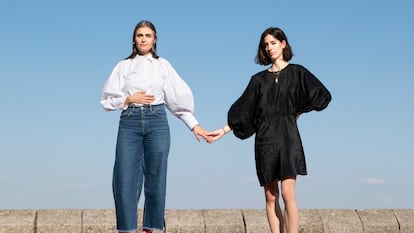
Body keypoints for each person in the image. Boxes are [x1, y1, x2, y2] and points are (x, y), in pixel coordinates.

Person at [207, 27, 331, 233]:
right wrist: (223, 130)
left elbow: (322, 95)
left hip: (288, 137)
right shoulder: (258, 81)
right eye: (266, 45)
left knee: (287, 192)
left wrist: (299, 110)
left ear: (283, 44)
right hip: (265, 140)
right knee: (270, 195)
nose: (269, 48)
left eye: (273, 43)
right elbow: (245, 110)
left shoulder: (298, 72)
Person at [100, 20, 208, 233]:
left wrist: (194, 126)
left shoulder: (163, 66)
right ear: (134, 39)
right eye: (140, 35)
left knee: (156, 174)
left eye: (148, 35)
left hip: (157, 119)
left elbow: (177, 100)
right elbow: (105, 101)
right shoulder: (123, 66)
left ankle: (151, 228)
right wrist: (128, 99)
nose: (143, 39)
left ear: (154, 39)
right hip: (129, 120)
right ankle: (127, 229)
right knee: (124, 176)